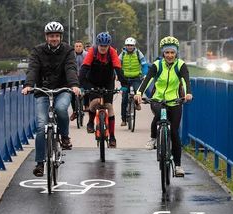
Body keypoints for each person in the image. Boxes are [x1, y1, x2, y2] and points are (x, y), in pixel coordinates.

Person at [22, 21, 80, 177]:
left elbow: (71, 68)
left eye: (56, 36)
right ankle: (40, 163)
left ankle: (65, 136)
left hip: (63, 89)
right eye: (51, 36)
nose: (54, 39)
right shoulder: (37, 51)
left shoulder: (68, 50)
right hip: (43, 91)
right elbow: (33, 68)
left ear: (60, 37)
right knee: (41, 127)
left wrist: (74, 85)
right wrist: (28, 85)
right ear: (46, 37)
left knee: (61, 109)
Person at [134, 36, 193, 177]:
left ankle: (178, 166)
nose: (170, 55)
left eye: (172, 52)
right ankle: (154, 137)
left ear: (176, 53)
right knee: (159, 113)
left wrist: (188, 93)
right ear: (163, 53)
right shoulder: (157, 65)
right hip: (158, 98)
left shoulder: (181, 65)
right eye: (167, 53)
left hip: (175, 100)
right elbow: (147, 80)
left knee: (174, 133)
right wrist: (139, 93)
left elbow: (185, 81)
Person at [79, 32, 128, 148]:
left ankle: (112, 137)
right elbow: (84, 68)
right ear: (98, 45)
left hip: (107, 82)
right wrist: (81, 84)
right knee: (94, 102)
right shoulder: (92, 51)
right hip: (92, 81)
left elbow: (118, 69)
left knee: (108, 106)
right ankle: (91, 122)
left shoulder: (112, 52)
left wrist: (124, 84)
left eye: (105, 46)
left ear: (108, 46)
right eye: (101, 46)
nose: (103, 48)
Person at [118, 37, 148, 126]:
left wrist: (144, 74)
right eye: (128, 45)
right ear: (125, 46)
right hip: (125, 78)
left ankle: (137, 103)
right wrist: (117, 75)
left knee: (138, 92)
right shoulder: (122, 54)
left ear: (134, 46)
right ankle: (123, 119)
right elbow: (117, 64)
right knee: (124, 99)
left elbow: (144, 65)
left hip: (136, 77)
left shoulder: (138, 53)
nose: (129, 47)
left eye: (131, 45)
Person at [70, 40, 88, 121]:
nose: (78, 48)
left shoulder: (87, 55)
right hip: (74, 78)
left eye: (80, 46)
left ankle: (86, 105)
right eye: (76, 46)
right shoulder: (71, 55)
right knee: (72, 94)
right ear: (74, 48)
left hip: (84, 77)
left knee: (87, 90)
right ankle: (74, 111)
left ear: (83, 47)